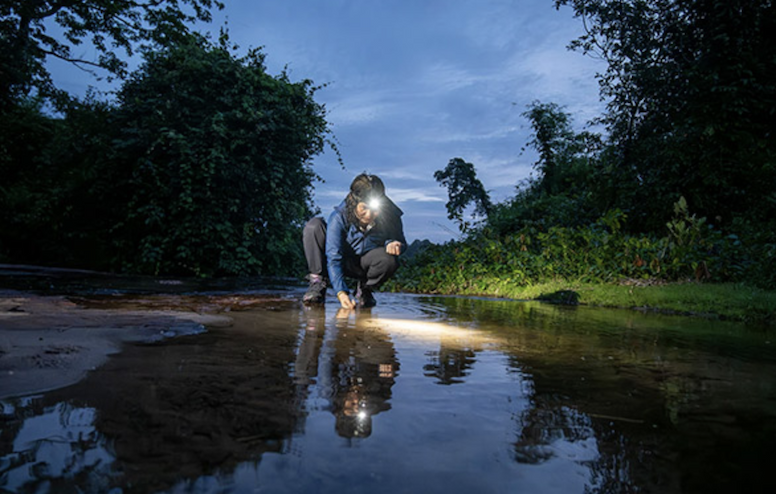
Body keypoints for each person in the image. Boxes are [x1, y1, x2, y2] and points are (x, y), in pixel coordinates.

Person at [302, 173, 406, 308]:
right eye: (364, 208)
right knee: (314, 226)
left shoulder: (391, 215)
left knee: (389, 260)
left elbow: (402, 243)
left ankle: (364, 289)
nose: (369, 215)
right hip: (338, 260)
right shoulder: (339, 216)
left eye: (375, 210)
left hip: (365, 264)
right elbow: (333, 258)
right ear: (354, 202)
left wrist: (394, 244)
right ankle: (317, 283)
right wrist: (341, 292)